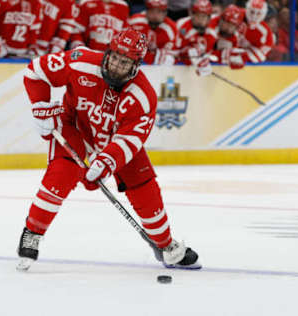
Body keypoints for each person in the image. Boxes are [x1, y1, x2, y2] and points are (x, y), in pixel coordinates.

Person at [17, 28, 201, 270]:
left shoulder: (143, 96)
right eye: (113, 57)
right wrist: (39, 105)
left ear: (135, 65)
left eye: (123, 62)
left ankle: (165, 244)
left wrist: (106, 162)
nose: (114, 65)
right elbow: (35, 72)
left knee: (145, 188)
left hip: (115, 142)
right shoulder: (80, 61)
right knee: (60, 176)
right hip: (75, 129)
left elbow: (130, 139)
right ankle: (32, 232)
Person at [128, 0, 178, 65]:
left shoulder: (171, 28)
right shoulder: (134, 21)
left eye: (159, 12)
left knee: (168, 58)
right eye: (152, 11)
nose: (155, 16)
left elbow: (172, 53)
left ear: (165, 13)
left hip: (157, 64)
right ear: (146, 11)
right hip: (135, 60)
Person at [176, 0, 215, 75]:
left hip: (195, 75)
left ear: (209, 18)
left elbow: (209, 54)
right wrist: (189, 51)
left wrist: (205, 62)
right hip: (179, 69)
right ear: (192, 14)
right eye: (198, 15)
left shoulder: (212, 33)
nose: (200, 20)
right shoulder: (181, 26)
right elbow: (176, 52)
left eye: (204, 16)